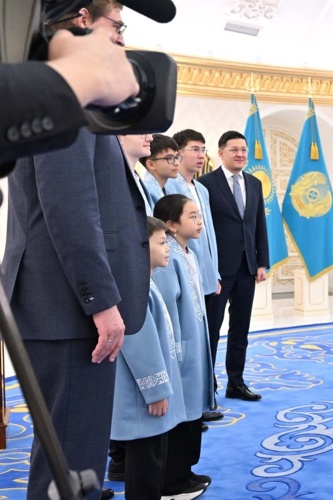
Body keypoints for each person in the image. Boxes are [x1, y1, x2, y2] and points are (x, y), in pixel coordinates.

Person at [0, 3, 151, 498]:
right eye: (118, 27)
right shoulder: (66, 94)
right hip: (69, 310)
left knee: (74, 457)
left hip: (65, 306)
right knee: (69, 463)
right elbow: (69, 209)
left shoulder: (61, 96)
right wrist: (101, 303)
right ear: (83, 19)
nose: (123, 42)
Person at [109, 217, 186, 500]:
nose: (168, 248)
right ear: (141, 247)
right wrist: (155, 390)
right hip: (143, 396)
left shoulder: (146, 283)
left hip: (147, 394)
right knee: (146, 464)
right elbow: (138, 343)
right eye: (162, 242)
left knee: (152, 461)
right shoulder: (135, 289)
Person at [198, 131, 269, 402]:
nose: (240, 154)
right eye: (234, 150)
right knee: (212, 330)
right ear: (221, 153)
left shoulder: (254, 183)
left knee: (241, 328)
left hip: (246, 268)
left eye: (244, 150)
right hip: (217, 270)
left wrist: (262, 260)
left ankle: (236, 382)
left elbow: (258, 222)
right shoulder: (205, 184)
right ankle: (208, 386)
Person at [0, 26, 139, 165]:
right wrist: (80, 77)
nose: (120, 41)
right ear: (83, 19)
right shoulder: (76, 107)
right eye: (117, 28)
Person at [153, 194, 215, 498]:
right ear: (171, 225)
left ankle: (185, 471)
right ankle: (173, 478)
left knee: (193, 410)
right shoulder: (168, 260)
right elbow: (166, 311)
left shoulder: (188, 253)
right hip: (181, 349)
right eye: (192, 216)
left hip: (195, 343)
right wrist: (177, 352)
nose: (199, 221)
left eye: (199, 215)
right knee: (181, 413)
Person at [169, 129, 223, 421]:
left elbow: (209, 235)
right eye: (194, 149)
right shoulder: (172, 186)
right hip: (184, 273)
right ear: (178, 154)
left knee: (208, 339)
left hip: (206, 275)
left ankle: (204, 398)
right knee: (187, 343)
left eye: (203, 149)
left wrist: (213, 272)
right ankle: (188, 409)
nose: (201, 155)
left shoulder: (201, 189)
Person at [140, 134, 181, 207]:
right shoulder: (145, 191)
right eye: (169, 158)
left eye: (177, 157)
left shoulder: (168, 189)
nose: (177, 163)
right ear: (151, 164)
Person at [118, 133, 154, 215]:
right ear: (119, 136)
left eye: (150, 133)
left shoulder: (138, 178)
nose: (150, 138)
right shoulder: (114, 181)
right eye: (142, 133)